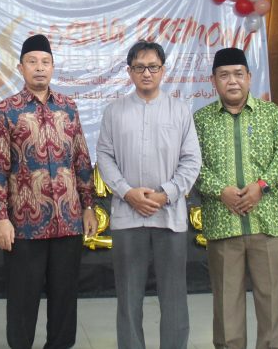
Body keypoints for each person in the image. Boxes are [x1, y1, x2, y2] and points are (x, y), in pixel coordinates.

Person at [0, 34, 98, 349]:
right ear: (20, 67)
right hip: (24, 223)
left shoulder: (68, 108)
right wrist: (0, 217)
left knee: (65, 301)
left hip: (68, 220)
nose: (39, 67)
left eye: (45, 62)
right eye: (32, 62)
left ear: (52, 67)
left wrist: (88, 206)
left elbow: (81, 160)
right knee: (22, 303)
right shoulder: (6, 110)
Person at [96, 40, 201, 349]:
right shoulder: (114, 112)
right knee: (128, 297)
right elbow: (104, 157)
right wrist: (127, 192)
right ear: (129, 72)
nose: (146, 73)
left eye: (153, 67)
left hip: (169, 216)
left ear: (163, 70)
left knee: (174, 296)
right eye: (139, 67)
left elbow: (192, 160)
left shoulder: (180, 111)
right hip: (128, 217)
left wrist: (165, 194)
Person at [194, 47, 278, 349]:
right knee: (227, 308)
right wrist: (220, 191)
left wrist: (261, 185)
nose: (232, 81)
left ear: (250, 77)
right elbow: (192, 165)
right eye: (224, 75)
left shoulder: (272, 113)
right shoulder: (201, 120)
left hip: (269, 224)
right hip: (223, 224)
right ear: (213, 81)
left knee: (274, 307)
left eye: (238, 74)